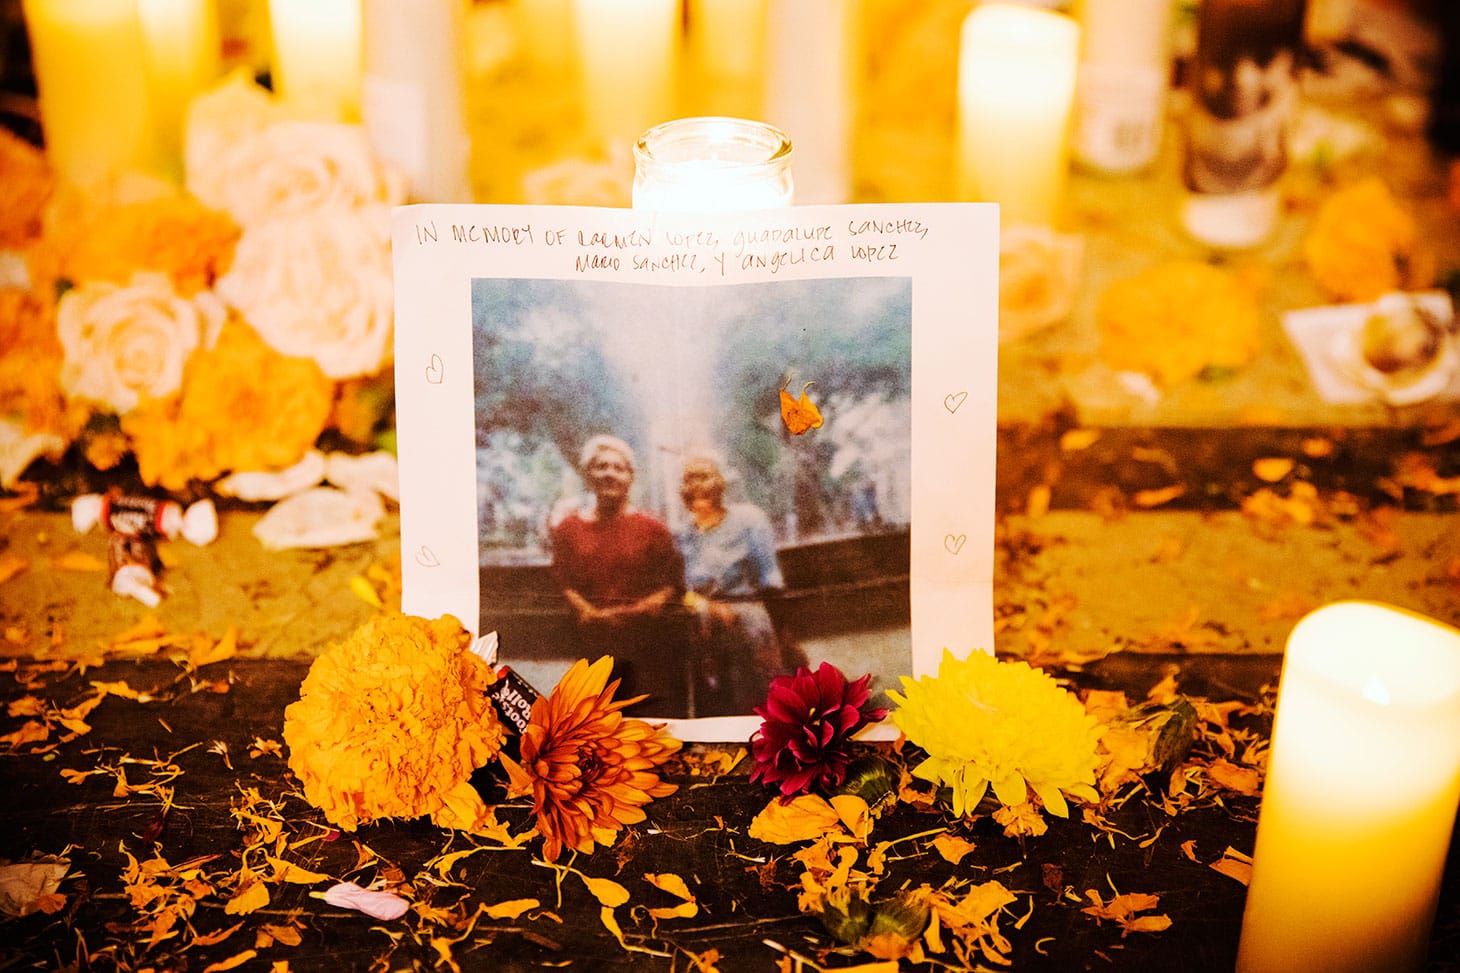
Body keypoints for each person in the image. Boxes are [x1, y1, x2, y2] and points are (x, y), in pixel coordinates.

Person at [549, 435, 687, 714]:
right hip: (593, 646)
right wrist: (589, 612)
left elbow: (673, 586)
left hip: (647, 650)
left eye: (618, 468)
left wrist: (627, 614)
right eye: (601, 466)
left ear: (631, 477)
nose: (609, 473)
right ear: (588, 475)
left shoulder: (653, 529)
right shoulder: (568, 529)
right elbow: (563, 581)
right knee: (597, 724)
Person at [675, 454, 806, 716]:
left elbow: (771, 583)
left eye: (704, 476)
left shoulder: (749, 521)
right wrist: (705, 606)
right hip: (704, 632)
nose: (696, 485)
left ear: (721, 482)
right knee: (716, 709)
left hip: (748, 626)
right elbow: (678, 588)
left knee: (759, 703)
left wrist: (784, 641)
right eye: (689, 479)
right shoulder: (681, 535)